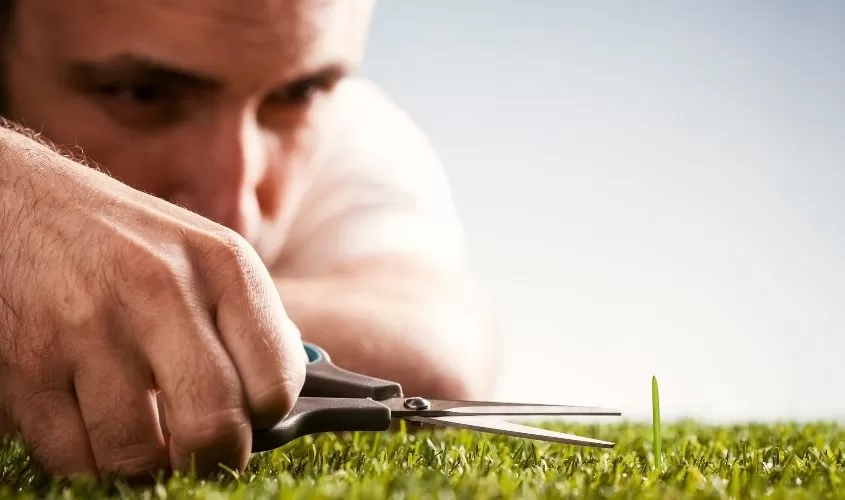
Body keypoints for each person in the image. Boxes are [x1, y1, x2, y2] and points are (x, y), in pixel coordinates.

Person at [0, 0, 499, 480]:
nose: (235, 212)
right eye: (142, 92)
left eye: (300, 92)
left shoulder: (355, 129)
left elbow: (437, 355)